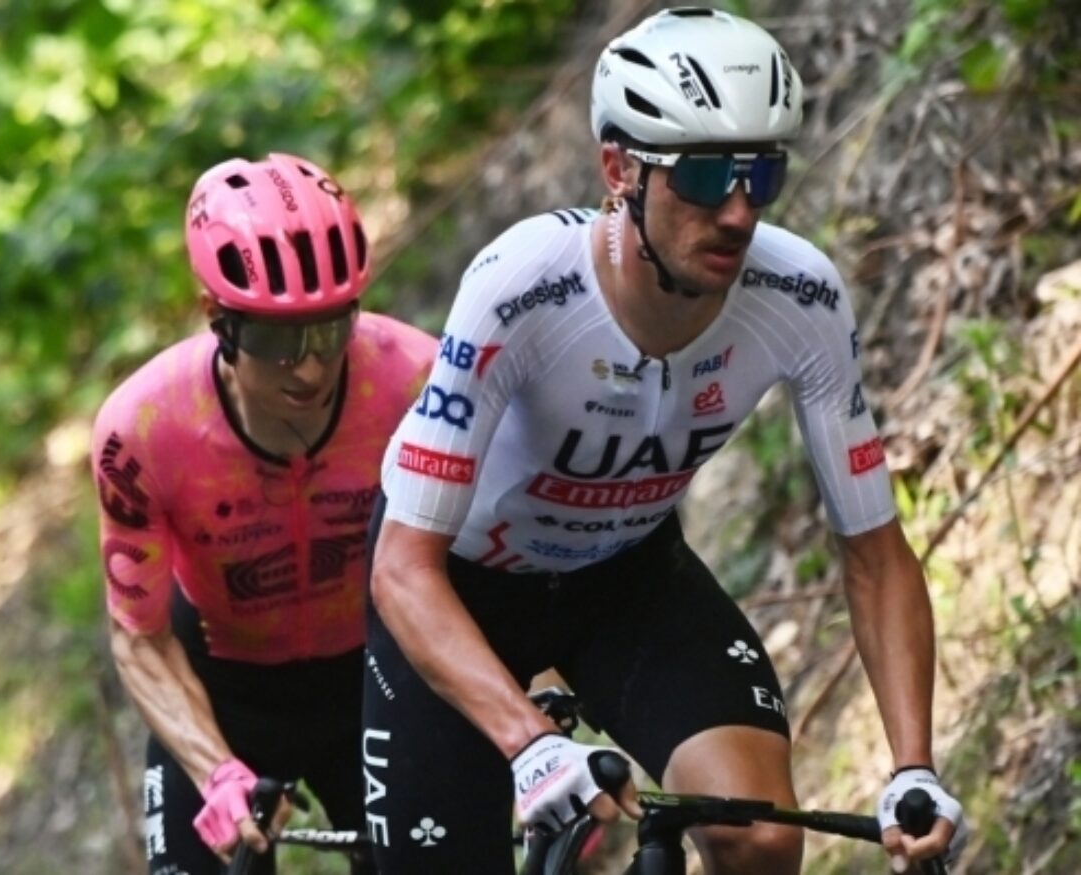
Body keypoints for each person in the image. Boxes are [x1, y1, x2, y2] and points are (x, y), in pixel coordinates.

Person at [362, 8, 968, 875]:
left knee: (758, 835)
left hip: (622, 576)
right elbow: (400, 565)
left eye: (763, 173)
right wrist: (528, 743)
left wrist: (914, 764)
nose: (737, 210)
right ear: (620, 167)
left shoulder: (801, 299)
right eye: (707, 173)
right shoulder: (522, 287)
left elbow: (873, 549)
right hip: (457, 588)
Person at [91, 152, 437, 875]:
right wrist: (216, 771)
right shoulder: (146, 426)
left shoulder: (416, 380)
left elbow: (495, 560)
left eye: (330, 330)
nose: (309, 367)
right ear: (217, 317)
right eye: (279, 340)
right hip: (225, 691)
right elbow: (140, 638)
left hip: (376, 674)